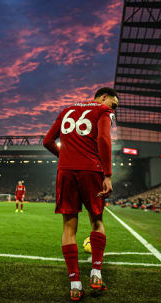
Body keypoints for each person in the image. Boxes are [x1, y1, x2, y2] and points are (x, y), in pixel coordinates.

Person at [43, 87, 118, 301]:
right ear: (104, 97)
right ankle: (96, 273)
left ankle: (75, 285)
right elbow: (103, 140)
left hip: (65, 173)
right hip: (91, 171)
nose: (113, 109)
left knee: (68, 227)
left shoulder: (66, 110)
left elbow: (47, 141)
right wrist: (108, 174)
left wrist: (64, 158)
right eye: (114, 104)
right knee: (97, 221)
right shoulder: (103, 112)